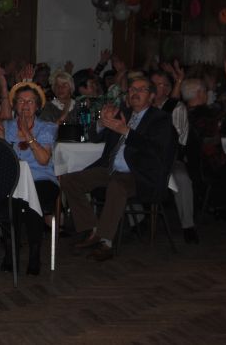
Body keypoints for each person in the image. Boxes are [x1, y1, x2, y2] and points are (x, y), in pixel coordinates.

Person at [59, 76, 176, 262]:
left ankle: (106, 243)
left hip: (139, 174)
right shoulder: (123, 113)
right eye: (132, 89)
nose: (135, 93)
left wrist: (127, 132)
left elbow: (156, 150)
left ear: (152, 96)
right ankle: (93, 229)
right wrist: (101, 122)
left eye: (142, 89)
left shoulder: (160, 119)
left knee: (117, 185)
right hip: (110, 169)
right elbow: (94, 137)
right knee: (69, 180)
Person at [0, 81, 55, 275]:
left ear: (37, 106)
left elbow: (43, 160)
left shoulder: (47, 127)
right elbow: (2, 161)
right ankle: (11, 249)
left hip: (41, 178)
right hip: (14, 180)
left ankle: (34, 252)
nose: (25, 105)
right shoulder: (7, 126)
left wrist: (27, 133)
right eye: (21, 101)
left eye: (30, 101)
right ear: (15, 105)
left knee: (35, 197)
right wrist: (1, 136)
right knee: (10, 200)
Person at [149, 70, 197, 244]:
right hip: (144, 158)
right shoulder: (139, 105)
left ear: (168, 90)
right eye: (152, 84)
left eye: (159, 84)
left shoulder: (175, 107)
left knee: (182, 178)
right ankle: (136, 220)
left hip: (170, 158)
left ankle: (188, 225)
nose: (154, 88)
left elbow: (172, 139)